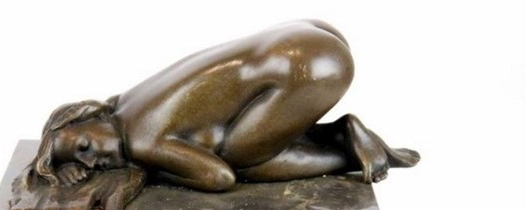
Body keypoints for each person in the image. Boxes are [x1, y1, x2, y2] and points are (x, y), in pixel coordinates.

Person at [33, 19, 419, 192]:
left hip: (308, 70)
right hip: (304, 36)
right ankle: (332, 134)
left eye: (84, 146)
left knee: (241, 158)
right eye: (82, 163)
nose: (93, 161)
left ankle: (345, 148)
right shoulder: (125, 103)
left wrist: (152, 170)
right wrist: (58, 167)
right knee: (234, 137)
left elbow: (219, 178)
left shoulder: (141, 141)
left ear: (89, 116)